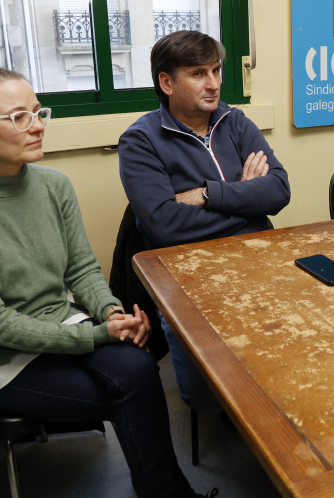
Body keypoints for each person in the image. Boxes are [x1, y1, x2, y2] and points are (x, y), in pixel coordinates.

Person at [0, 67, 214, 498]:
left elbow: (81, 271)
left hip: (62, 325)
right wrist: (98, 334)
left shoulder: (54, 185)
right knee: (135, 389)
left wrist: (112, 312)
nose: (37, 127)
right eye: (19, 118)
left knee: (138, 365)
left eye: (38, 113)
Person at [118, 30, 290, 414]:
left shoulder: (234, 120)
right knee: (209, 401)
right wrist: (245, 197)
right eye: (198, 73)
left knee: (292, 354)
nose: (213, 84)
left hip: (257, 257)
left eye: (216, 70)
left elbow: (278, 191)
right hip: (186, 272)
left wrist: (209, 194)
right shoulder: (140, 141)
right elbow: (164, 225)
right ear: (166, 82)